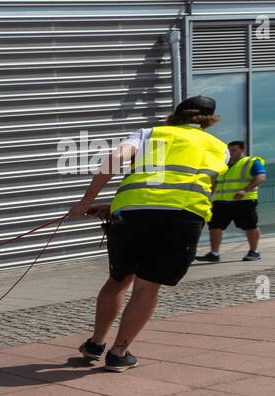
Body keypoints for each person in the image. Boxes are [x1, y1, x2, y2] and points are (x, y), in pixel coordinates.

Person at [66, 95, 229, 371]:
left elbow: (115, 158)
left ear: (175, 116)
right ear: (209, 120)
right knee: (147, 286)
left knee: (119, 279)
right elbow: (202, 187)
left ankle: (95, 343)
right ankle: (118, 354)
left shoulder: (150, 134)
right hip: (183, 218)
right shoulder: (220, 148)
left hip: (132, 215)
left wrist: (87, 202)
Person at [196, 140, 265, 263]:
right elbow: (215, 183)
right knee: (214, 226)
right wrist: (206, 197)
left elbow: (261, 177)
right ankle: (214, 253)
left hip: (244, 201)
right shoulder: (222, 165)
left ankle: (254, 251)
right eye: (229, 151)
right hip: (221, 201)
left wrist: (245, 190)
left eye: (234, 150)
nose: (231, 153)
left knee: (250, 226)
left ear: (242, 150)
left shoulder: (251, 162)